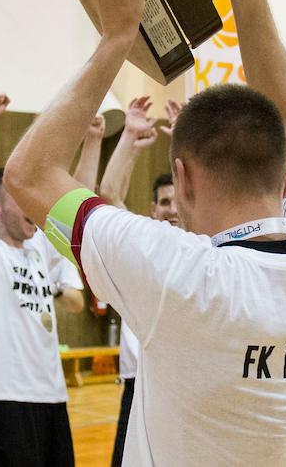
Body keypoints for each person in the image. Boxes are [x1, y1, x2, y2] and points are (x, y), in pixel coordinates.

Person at [4, 0, 286, 465]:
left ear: (183, 177)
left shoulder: (182, 277)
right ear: (284, 183)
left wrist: (116, 37)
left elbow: (28, 173)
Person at [0, 91, 85, 466]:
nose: (32, 206)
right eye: (18, 199)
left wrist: (91, 139)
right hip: (3, 399)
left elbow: (74, 199)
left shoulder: (38, 249)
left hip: (52, 395)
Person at [97, 97, 176, 467]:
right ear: (152, 209)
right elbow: (109, 196)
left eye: (177, 201)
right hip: (137, 384)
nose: (171, 209)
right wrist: (128, 138)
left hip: (180, 385)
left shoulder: (204, 247)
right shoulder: (143, 245)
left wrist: (185, 142)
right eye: (163, 202)